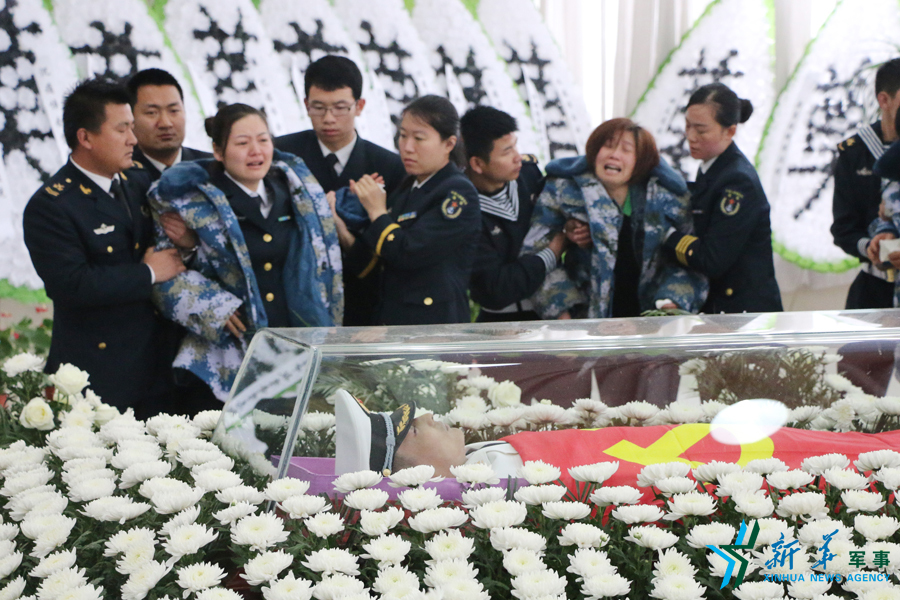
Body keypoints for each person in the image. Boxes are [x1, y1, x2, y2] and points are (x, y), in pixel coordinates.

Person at [149, 103, 343, 403]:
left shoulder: (299, 193)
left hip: (297, 350)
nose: (256, 151)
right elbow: (163, 275)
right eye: (242, 143)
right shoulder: (186, 202)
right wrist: (214, 307)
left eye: (263, 140)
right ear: (218, 151)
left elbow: (326, 263)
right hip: (231, 357)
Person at [22, 78, 185, 415]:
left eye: (132, 128)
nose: (133, 139)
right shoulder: (52, 205)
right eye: (122, 129)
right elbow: (72, 284)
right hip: (99, 373)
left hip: (156, 365)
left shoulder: (137, 180)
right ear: (85, 138)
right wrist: (148, 273)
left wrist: (186, 242)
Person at [522, 118, 707, 319]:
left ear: (640, 161)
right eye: (608, 146)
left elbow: (692, 262)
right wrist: (562, 314)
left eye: (626, 150)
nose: (614, 155)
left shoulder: (667, 197)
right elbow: (534, 252)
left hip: (653, 324)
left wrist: (670, 305)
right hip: (584, 323)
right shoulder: (564, 190)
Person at [275, 55, 406, 326]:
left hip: (364, 305)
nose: (328, 119)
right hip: (295, 301)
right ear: (305, 105)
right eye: (318, 108)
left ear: (360, 106)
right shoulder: (281, 156)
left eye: (340, 108)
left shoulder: (390, 166)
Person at [343, 95, 480, 325]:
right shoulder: (408, 187)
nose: (407, 147)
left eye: (419, 138)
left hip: (434, 326)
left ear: (449, 144)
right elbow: (371, 260)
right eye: (403, 135)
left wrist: (377, 211)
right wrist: (341, 223)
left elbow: (407, 253)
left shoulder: (457, 193)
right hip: (393, 321)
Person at [663, 83, 782, 314]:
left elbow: (712, 260)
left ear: (729, 131)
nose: (690, 137)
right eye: (687, 126)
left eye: (701, 130)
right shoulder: (713, 168)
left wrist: (667, 235)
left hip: (744, 314)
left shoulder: (737, 182)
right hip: (723, 310)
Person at [460, 106, 564, 322]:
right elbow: (497, 289)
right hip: (500, 324)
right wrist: (551, 253)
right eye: (507, 152)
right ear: (477, 163)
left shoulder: (529, 175)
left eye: (515, 146)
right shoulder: (463, 209)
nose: (517, 157)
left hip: (553, 314)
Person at [832, 59, 900, 309]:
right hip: (874, 290)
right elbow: (844, 227)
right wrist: (870, 246)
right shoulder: (855, 152)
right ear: (884, 100)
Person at [126, 68, 212, 182]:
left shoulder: (214, 168)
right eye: (152, 113)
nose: (166, 123)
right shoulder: (121, 175)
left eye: (173, 111)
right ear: (130, 118)